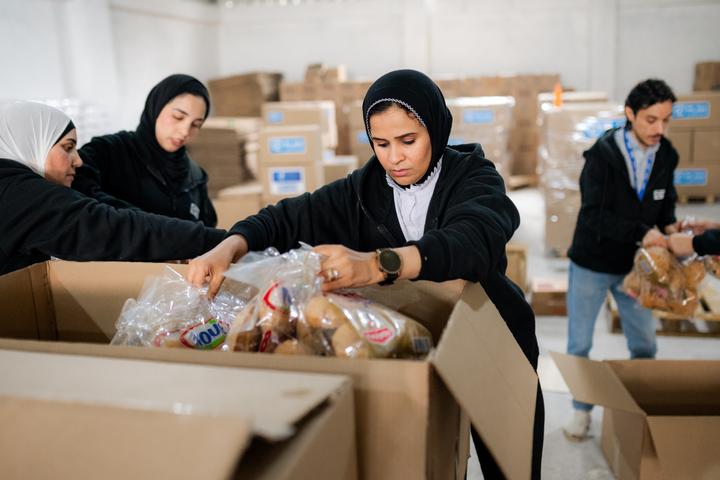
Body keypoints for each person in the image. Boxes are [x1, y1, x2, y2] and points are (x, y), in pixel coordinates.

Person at [188, 69, 544, 479]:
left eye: (409, 141)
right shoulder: (362, 190)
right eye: (381, 143)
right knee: (437, 454)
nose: (395, 157)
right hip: (418, 341)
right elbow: (285, 218)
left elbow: (472, 241)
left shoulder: (474, 177)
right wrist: (229, 246)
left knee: (509, 463)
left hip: (492, 334)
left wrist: (376, 264)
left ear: (436, 128)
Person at [563, 79, 679, 440]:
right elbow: (592, 214)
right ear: (630, 114)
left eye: (666, 119)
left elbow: (665, 201)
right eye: (650, 120)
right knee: (580, 344)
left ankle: (637, 407)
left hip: (636, 267)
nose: (659, 128)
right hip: (592, 263)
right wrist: (642, 231)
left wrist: (672, 228)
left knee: (645, 343)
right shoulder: (601, 157)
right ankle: (581, 412)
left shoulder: (667, 154)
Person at [0, 101, 226, 275]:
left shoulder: (193, 172)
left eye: (196, 124)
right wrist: (228, 242)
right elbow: (112, 227)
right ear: (32, 143)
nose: (78, 161)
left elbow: (104, 209)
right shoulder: (19, 195)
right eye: (67, 147)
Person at [72, 74, 217, 227]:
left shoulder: (195, 177)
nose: (185, 131)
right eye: (178, 117)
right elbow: (77, 189)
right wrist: (142, 224)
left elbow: (206, 232)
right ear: (156, 107)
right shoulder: (109, 151)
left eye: (196, 124)